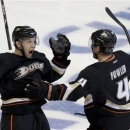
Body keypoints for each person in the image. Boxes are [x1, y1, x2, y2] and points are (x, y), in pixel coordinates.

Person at [24, 29, 130, 130]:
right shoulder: (124, 57)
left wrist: (47, 90)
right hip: (125, 121)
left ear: (97, 48)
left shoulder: (94, 72)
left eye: (93, 44)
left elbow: (73, 90)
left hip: (106, 125)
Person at [0, 25, 71, 130]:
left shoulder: (38, 57)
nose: (33, 45)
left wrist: (60, 57)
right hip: (16, 117)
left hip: (37, 114)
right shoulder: (4, 61)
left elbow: (53, 75)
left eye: (34, 41)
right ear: (18, 43)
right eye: (29, 42)